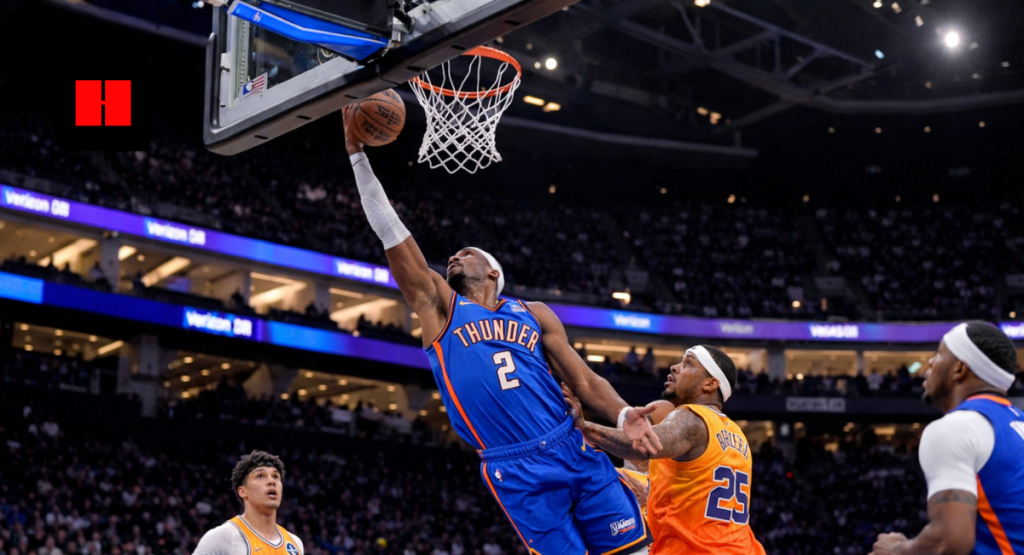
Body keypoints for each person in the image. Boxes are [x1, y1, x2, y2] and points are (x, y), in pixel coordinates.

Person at [342, 108, 657, 555]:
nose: (453, 256)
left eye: (465, 252)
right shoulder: (440, 307)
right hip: (514, 464)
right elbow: (392, 232)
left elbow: (584, 380)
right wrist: (357, 155)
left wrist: (625, 415)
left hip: (571, 443)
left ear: (492, 272)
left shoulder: (535, 313)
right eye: (452, 254)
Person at [563, 345, 766, 555]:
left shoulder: (692, 418)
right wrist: (652, 495)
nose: (674, 367)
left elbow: (644, 444)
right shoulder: (738, 434)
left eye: (688, 363)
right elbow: (703, 492)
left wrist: (586, 428)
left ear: (710, 383)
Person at [871, 322, 1024, 555]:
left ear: (959, 369)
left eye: (940, 354)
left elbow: (950, 541)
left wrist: (896, 551)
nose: (931, 362)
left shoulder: (955, 427)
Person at [194, 450, 304, 555]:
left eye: (275, 476)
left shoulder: (295, 543)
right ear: (243, 491)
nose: (272, 481)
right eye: (260, 476)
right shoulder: (224, 536)